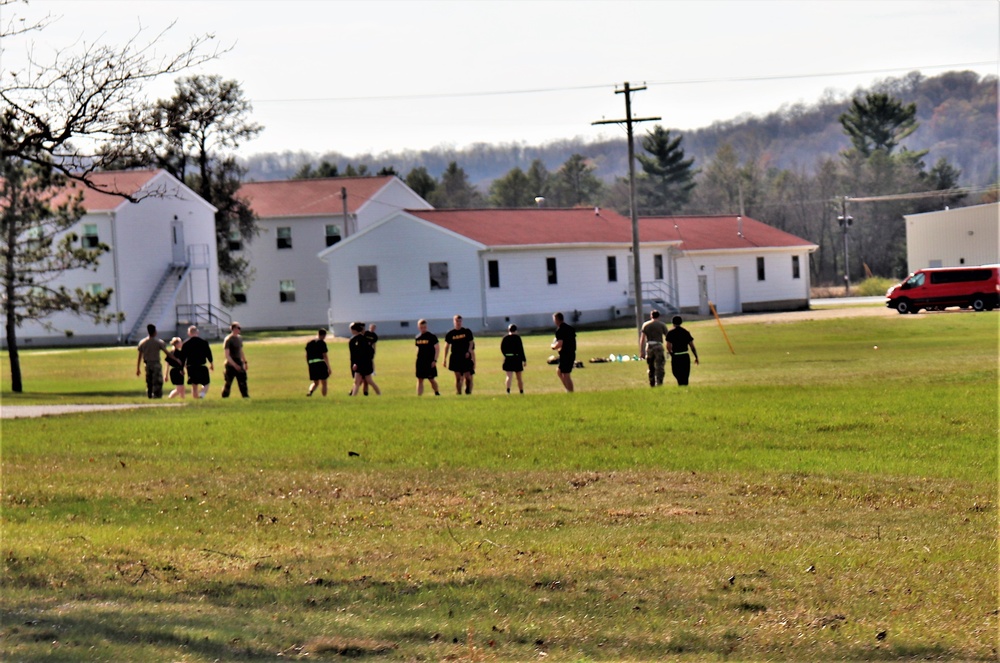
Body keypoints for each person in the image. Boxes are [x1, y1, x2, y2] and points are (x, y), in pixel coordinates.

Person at [443, 314, 475, 395]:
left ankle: (468, 392)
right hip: (455, 357)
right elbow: (446, 346)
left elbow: (471, 342)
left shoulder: (466, 332)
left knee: (468, 377)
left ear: (462, 322)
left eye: (460, 321)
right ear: (454, 322)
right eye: (457, 321)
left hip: (465, 356)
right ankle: (459, 393)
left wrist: (469, 351)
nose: (458, 323)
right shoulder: (451, 333)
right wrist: (444, 359)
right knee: (458, 378)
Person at [136, 323, 169, 399]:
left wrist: (138, 368)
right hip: (156, 364)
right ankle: (157, 395)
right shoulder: (159, 342)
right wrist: (175, 359)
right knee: (157, 380)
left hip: (147, 364)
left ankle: (150, 395)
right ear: (155, 332)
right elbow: (167, 353)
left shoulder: (142, 342)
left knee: (149, 380)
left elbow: (139, 356)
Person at [666, 315, 700, 386]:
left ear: (672, 323)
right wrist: (696, 357)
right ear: (681, 322)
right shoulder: (686, 332)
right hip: (685, 356)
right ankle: (684, 386)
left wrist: (671, 354)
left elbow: (668, 346)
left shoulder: (670, 333)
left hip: (676, 356)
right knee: (685, 375)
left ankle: (681, 385)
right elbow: (692, 346)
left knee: (676, 373)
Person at [639, 309, 670, 387]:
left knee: (651, 366)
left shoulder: (645, 325)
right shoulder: (662, 325)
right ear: (658, 316)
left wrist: (641, 351)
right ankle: (659, 383)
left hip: (649, 346)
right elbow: (668, 338)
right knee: (659, 366)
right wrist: (669, 348)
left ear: (651, 316)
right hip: (658, 345)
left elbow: (642, 339)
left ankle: (651, 382)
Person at [348, 321, 380, 396]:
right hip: (360, 363)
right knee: (357, 381)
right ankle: (353, 396)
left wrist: (356, 363)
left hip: (364, 363)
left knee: (369, 381)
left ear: (354, 330)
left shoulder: (361, 339)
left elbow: (362, 353)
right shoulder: (354, 339)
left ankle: (379, 393)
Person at [182, 325, 214, 399]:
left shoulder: (186, 344)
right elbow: (208, 354)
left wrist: (181, 368)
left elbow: (183, 357)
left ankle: (196, 399)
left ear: (189, 333)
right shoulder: (204, 342)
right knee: (206, 383)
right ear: (197, 332)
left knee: (194, 385)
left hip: (191, 367)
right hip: (201, 366)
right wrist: (211, 363)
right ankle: (202, 395)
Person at [221, 321, 249, 398]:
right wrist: (234, 365)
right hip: (230, 364)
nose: (239, 329)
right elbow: (227, 355)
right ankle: (225, 397)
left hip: (239, 362)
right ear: (233, 329)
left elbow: (240, 351)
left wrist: (244, 362)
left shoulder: (239, 338)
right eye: (238, 328)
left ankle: (245, 396)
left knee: (243, 381)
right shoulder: (228, 339)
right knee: (228, 382)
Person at [414, 319, 440, 396]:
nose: (423, 329)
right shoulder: (417, 337)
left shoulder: (432, 337)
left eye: (424, 327)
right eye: (421, 327)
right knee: (420, 379)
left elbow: (437, 349)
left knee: (431, 379)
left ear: (426, 327)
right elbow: (418, 348)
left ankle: (437, 392)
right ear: (418, 327)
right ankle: (419, 396)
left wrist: (435, 360)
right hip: (420, 361)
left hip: (429, 361)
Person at [551, 311, 576, 392]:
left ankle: (570, 392)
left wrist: (553, 346)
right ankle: (568, 389)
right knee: (559, 371)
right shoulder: (570, 328)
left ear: (557, 319)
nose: (554, 321)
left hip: (566, 354)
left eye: (554, 319)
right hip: (571, 353)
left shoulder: (560, 330)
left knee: (566, 374)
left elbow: (560, 343)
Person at [500, 323, 526, 394]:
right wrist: (524, 360)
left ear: (508, 329)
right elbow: (521, 349)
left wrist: (506, 355)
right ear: (516, 330)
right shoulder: (518, 338)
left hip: (508, 358)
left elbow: (502, 348)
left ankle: (508, 391)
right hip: (517, 358)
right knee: (519, 378)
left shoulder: (505, 338)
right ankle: (521, 391)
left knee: (509, 376)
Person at [305, 329, 332, 397]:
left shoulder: (309, 343)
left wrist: (309, 364)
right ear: (324, 335)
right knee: (324, 382)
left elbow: (306, 355)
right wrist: (329, 367)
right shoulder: (322, 343)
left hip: (312, 363)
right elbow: (324, 356)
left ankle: (310, 391)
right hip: (320, 363)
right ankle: (324, 397)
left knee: (316, 382)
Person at [361, 323, 379, 396]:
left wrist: (374, 350)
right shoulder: (366, 333)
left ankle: (372, 371)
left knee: (371, 361)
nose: (372, 329)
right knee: (363, 379)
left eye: (373, 328)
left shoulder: (375, 336)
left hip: (370, 351)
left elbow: (374, 344)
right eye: (371, 327)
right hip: (364, 351)